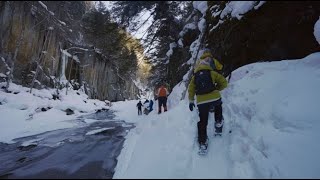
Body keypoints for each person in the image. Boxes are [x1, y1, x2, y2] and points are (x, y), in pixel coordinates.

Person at [188, 50, 228, 150]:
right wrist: (217, 89)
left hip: (201, 101)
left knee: (203, 121)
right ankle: (218, 122)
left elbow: (191, 89)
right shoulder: (212, 71)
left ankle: (202, 142)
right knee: (218, 105)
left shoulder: (195, 76)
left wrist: (191, 101)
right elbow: (224, 83)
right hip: (214, 95)